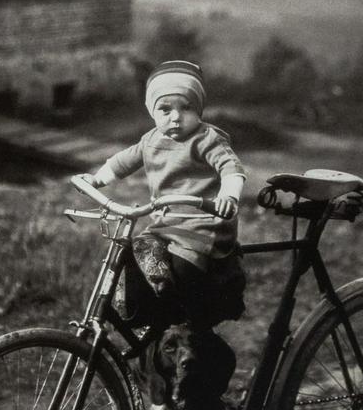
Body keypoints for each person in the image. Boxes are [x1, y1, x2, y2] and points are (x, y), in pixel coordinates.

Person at [87, 60, 246, 326]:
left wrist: (228, 196)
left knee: (185, 268)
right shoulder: (150, 140)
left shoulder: (207, 139)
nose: (175, 117)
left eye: (186, 108)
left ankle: (193, 322)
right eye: (165, 109)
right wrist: (97, 180)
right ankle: (155, 309)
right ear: (152, 112)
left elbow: (231, 167)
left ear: (199, 110)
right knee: (137, 251)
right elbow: (122, 161)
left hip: (202, 223)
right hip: (165, 221)